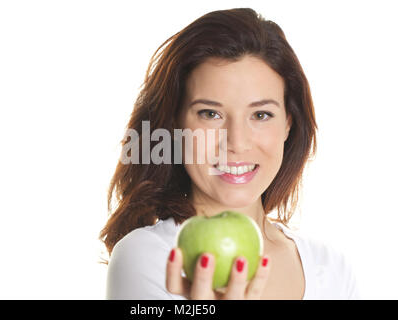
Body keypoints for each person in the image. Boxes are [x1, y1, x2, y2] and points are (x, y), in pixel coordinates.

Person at [100, 7, 361, 300]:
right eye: (210, 113)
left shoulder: (332, 270)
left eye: (261, 115)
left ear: (288, 123)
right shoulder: (149, 259)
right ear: (175, 125)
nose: (236, 142)